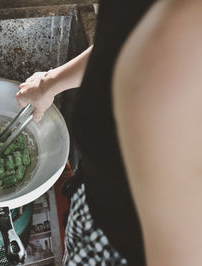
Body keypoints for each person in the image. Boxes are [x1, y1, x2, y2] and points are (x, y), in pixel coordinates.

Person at [16, 0, 202, 265]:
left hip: (122, 249)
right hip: (96, 203)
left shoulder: (177, 51)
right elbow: (123, 33)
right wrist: (49, 83)